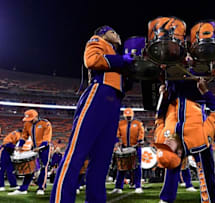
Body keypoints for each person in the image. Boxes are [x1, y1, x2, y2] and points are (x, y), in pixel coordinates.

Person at [50, 25, 134, 203]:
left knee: (102, 160)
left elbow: (125, 83)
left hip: (114, 100)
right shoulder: (98, 41)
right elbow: (92, 61)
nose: (117, 35)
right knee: (76, 152)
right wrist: (121, 60)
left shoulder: (114, 52)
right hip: (99, 93)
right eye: (114, 31)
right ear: (104, 33)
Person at [154, 78, 215, 203]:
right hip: (195, 92)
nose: (166, 143)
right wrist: (206, 91)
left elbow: (159, 117)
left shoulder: (161, 137)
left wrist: (162, 97)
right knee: (206, 166)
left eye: (164, 147)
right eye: (169, 149)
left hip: (173, 91)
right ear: (178, 154)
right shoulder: (200, 138)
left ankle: (165, 199)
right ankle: (213, 198)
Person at [9, 109, 52, 195]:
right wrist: (20, 145)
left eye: (31, 119)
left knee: (44, 167)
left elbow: (47, 138)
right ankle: (23, 189)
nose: (29, 121)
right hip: (34, 148)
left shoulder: (45, 123)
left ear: (36, 116)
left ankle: (41, 188)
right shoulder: (27, 124)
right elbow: (24, 136)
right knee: (30, 168)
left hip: (44, 148)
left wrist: (40, 147)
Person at [109, 108, 145, 194]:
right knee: (121, 168)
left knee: (137, 167)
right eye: (127, 116)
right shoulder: (120, 124)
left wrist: (140, 141)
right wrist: (117, 142)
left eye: (130, 116)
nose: (128, 118)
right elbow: (117, 135)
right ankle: (118, 187)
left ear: (133, 115)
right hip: (124, 148)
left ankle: (138, 186)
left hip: (136, 148)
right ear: (124, 116)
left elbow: (141, 134)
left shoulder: (138, 124)